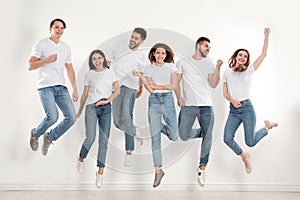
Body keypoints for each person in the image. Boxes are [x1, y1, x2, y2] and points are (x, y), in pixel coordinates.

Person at [222, 28, 278, 174]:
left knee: (251, 142)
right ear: (235, 56)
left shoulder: (249, 71)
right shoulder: (227, 72)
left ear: (247, 60)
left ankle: (267, 127)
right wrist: (232, 100)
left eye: (245, 56)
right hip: (233, 111)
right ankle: (244, 156)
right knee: (227, 138)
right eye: (240, 55)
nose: (242, 57)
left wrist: (266, 36)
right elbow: (225, 93)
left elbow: (263, 54)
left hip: (247, 109)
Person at [175, 37, 223, 187]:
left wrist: (218, 68)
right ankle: (204, 133)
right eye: (206, 46)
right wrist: (179, 97)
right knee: (183, 135)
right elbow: (176, 82)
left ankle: (202, 168)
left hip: (206, 106)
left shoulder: (208, 64)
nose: (208, 49)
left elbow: (213, 84)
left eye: (210, 47)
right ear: (198, 46)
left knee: (208, 138)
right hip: (188, 106)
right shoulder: (183, 62)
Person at [28, 18, 78, 156]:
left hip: (61, 87)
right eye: (56, 27)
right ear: (50, 28)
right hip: (45, 86)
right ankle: (35, 134)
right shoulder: (41, 44)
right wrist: (46, 60)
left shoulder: (66, 47)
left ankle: (50, 138)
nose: (59, 30)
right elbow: (30, 65)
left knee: (71, 118)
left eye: (62, 28)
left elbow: (69, 68)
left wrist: (74, 88)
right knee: (52, 117)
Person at [76, 49, 120, 188]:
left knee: (104, 141)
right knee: (90, 138)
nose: (97, 61)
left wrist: (108, 101)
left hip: (106, 107)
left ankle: (100, 173)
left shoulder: (111, 73)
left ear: (103, 59)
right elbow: (84, 94)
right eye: (94, 59)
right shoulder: (89, 74)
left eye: (99, 58)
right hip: (91, 107)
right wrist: (79, 111)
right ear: (92, 61)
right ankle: (81, 158)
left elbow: (117, 90)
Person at [107, 27, 148, 167]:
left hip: (131, 87)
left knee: (126, 115)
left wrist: (141, 88)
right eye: (132, 36)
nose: (132, 39)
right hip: (116, 87)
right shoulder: (118, 48)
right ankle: (134, 130)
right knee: (117, 123)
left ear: (141, 41)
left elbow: (142, 73)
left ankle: (129, 151)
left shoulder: (142, 56)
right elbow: (107, 63)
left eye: (136, 38)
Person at [139, 43, 178, 188]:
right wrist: (151, 84)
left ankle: (156, 126)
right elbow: (149, 88)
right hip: (154, 101)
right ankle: (158, 170)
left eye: (163, 53)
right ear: (154, 54)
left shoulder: (171, 67)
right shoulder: (148, 68)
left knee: (174, 135)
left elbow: (173, 86)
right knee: (155, 140)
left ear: (166, 55)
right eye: (158, 53)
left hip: (168, 99)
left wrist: (156, 86)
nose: (160, 56)